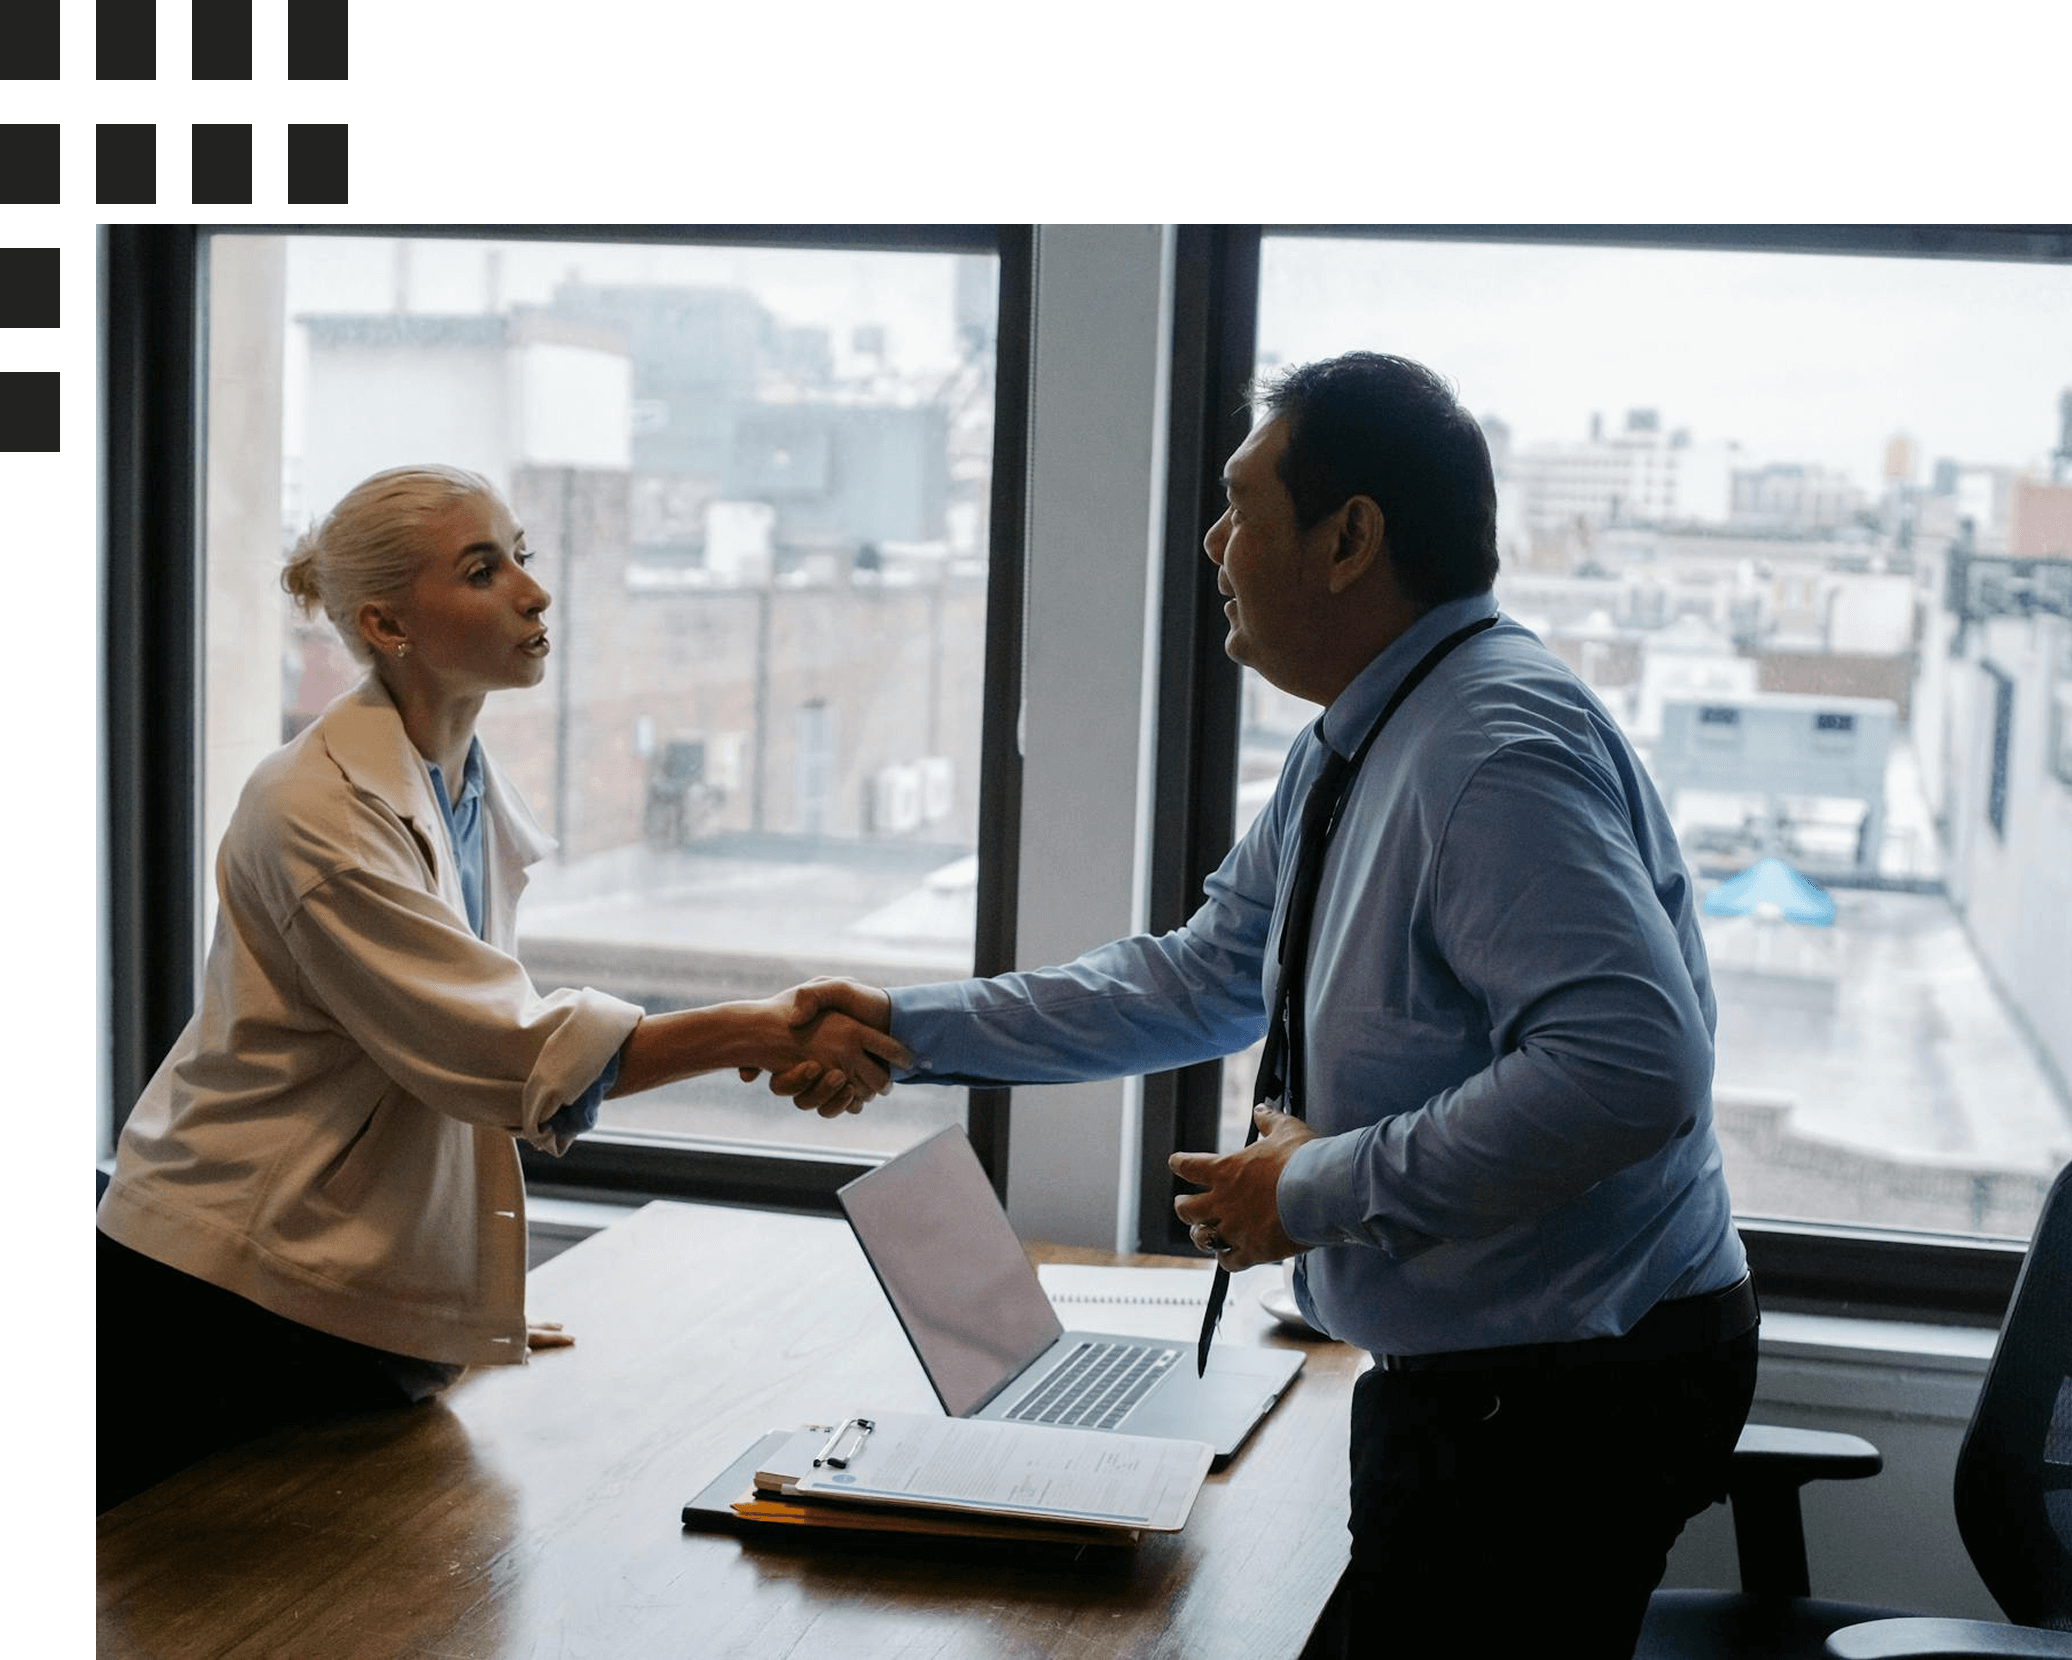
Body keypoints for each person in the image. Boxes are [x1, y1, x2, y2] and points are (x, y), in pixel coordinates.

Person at [763, 354, 1756, 1656]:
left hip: (1561, 1388)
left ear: (1350, 540)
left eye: (1243, 506)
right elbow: (1208, 974)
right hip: (1495, 1375)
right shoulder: (1362, 735)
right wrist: (909, 1025)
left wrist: (1307, 1191)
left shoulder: (1493, 750)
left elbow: (1631, 1069)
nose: (1214, 544)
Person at [96, 464, 908, 1514]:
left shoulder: (461, 783)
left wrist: (447, 1294)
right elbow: (497, 1052)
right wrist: (756, 1027)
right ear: (386, 622)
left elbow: (437, 1073)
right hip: (218, 1294)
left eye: (522, 554)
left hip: (320, 1292)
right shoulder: (317, 811)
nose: (534, 591)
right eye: (484, 570)